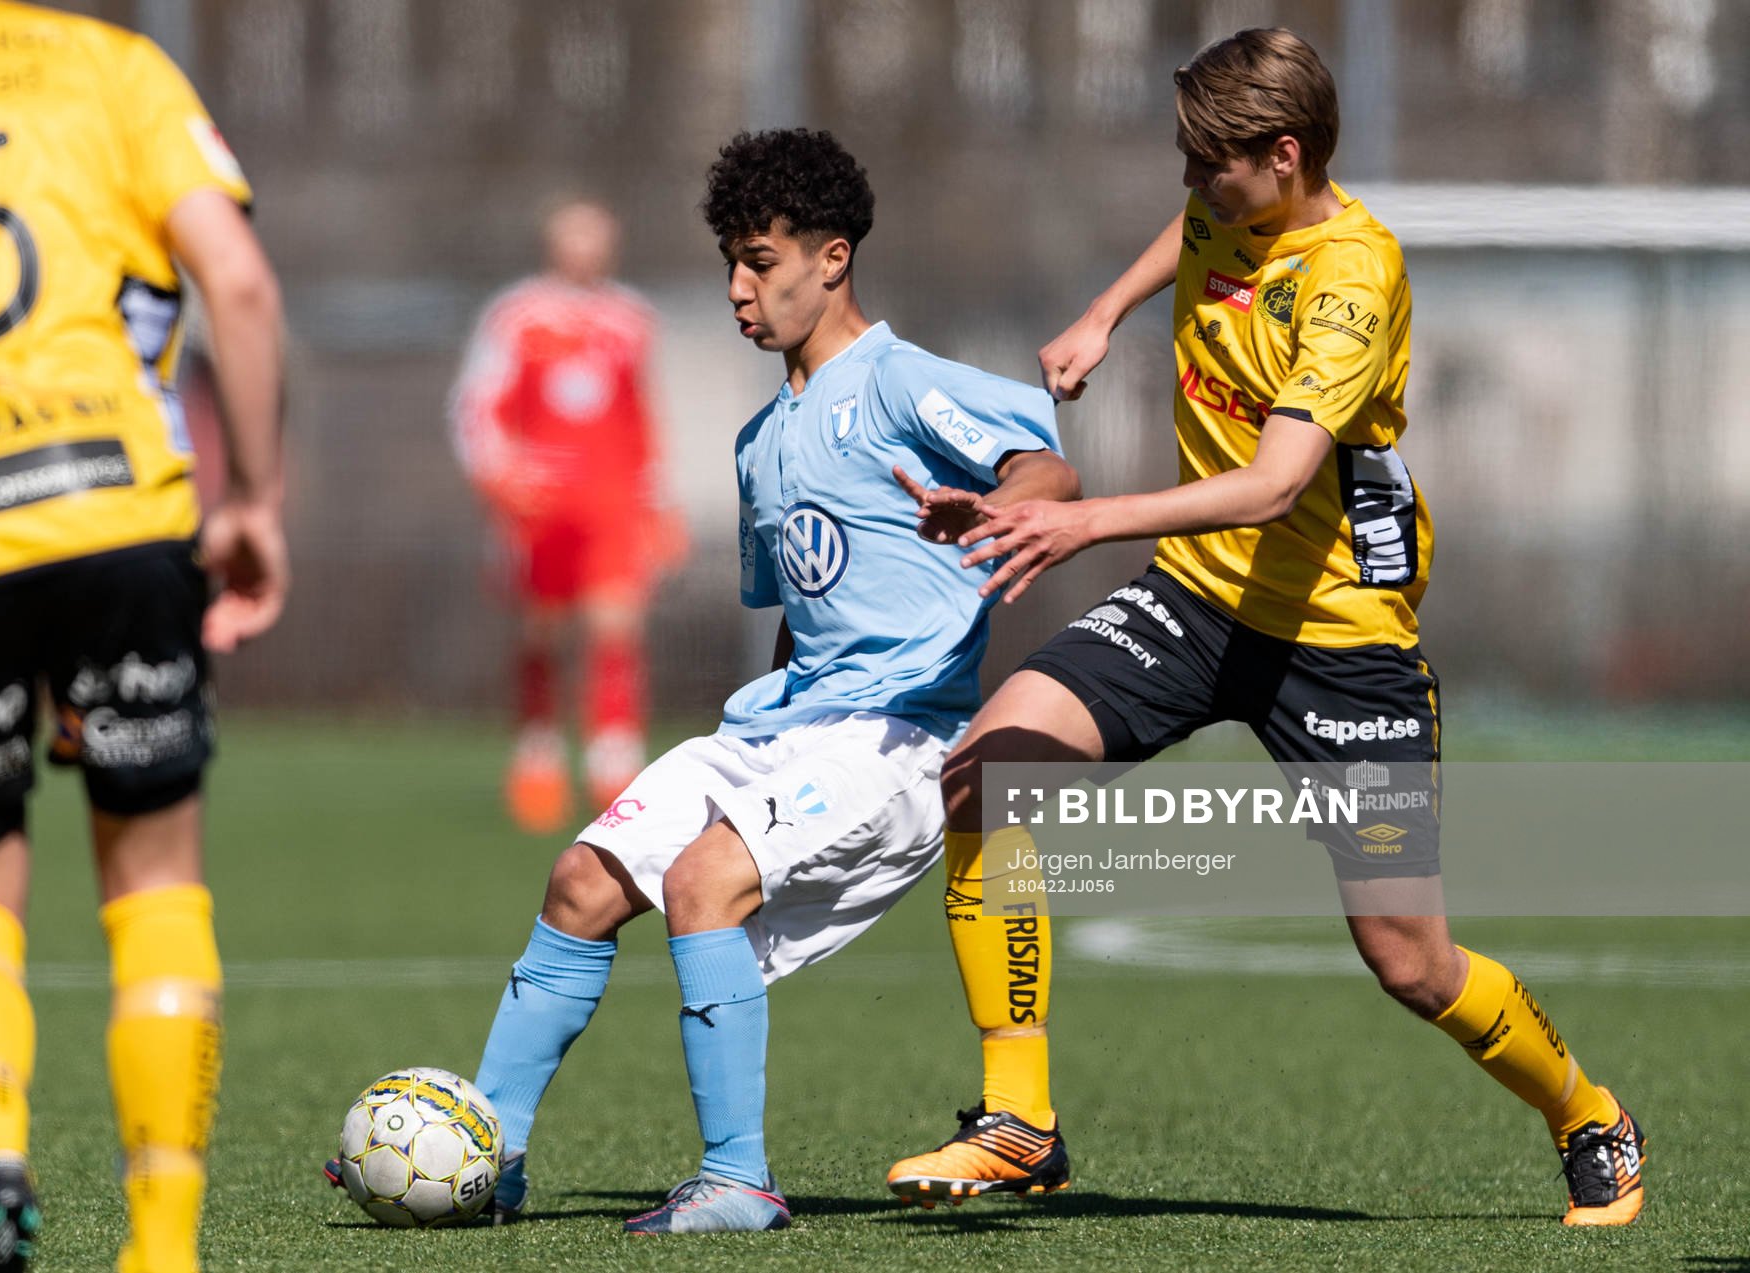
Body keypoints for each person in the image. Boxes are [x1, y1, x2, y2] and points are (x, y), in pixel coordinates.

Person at [885, 28, 1646, 1227]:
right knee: (989, 774)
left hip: (1339, 644)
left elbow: (1276, 483)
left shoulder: (1352, 277)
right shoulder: (1229, 205)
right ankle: (1017, 1117)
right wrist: (1105, 313)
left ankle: (1588, 1109)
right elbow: (1188, 233)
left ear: (1283, 157)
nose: (1190, 189)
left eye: (1210, 167)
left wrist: (1090, 526)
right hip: (1194, 600)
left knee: (1412, 961)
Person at [470, 128, 1076, 1233]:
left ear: (832, 258)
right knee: (581, 881)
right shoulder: (761, 441)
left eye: (761, 261)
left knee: (705, 883)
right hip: (783, 727)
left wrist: (997, 510)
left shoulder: (898, 383)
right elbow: (802, 624)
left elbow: (1044, 462)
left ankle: (739, 1180)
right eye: (730, 265)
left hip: (896, 737)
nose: (739, 291)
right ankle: (487, 1155)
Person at [0, 2, 288, 1270]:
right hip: (119, 516)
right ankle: (163, 1245)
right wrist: (252, 499)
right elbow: (238, 281)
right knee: (154, 889)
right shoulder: (112, 66)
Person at [448, 199, 686, 833]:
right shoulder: (517, 315)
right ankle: (538, 758)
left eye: (596, 235)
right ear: (552, 242)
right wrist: (500, 480)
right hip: (541, 504)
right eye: (572, 235)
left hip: (611, 504)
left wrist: (658, 503)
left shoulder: (632, 320)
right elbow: (475, 405)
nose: (584, 248)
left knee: (617, 628)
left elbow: (644, 418)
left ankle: (616, 763)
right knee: (542, 633)